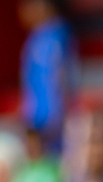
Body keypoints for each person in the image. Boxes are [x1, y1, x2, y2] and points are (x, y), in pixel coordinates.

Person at [18, 0, 76, 152]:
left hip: (50, 118)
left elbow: (57, 79)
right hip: (38, 115)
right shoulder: (38, 36)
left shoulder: (55, 37)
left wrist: (49, 118)